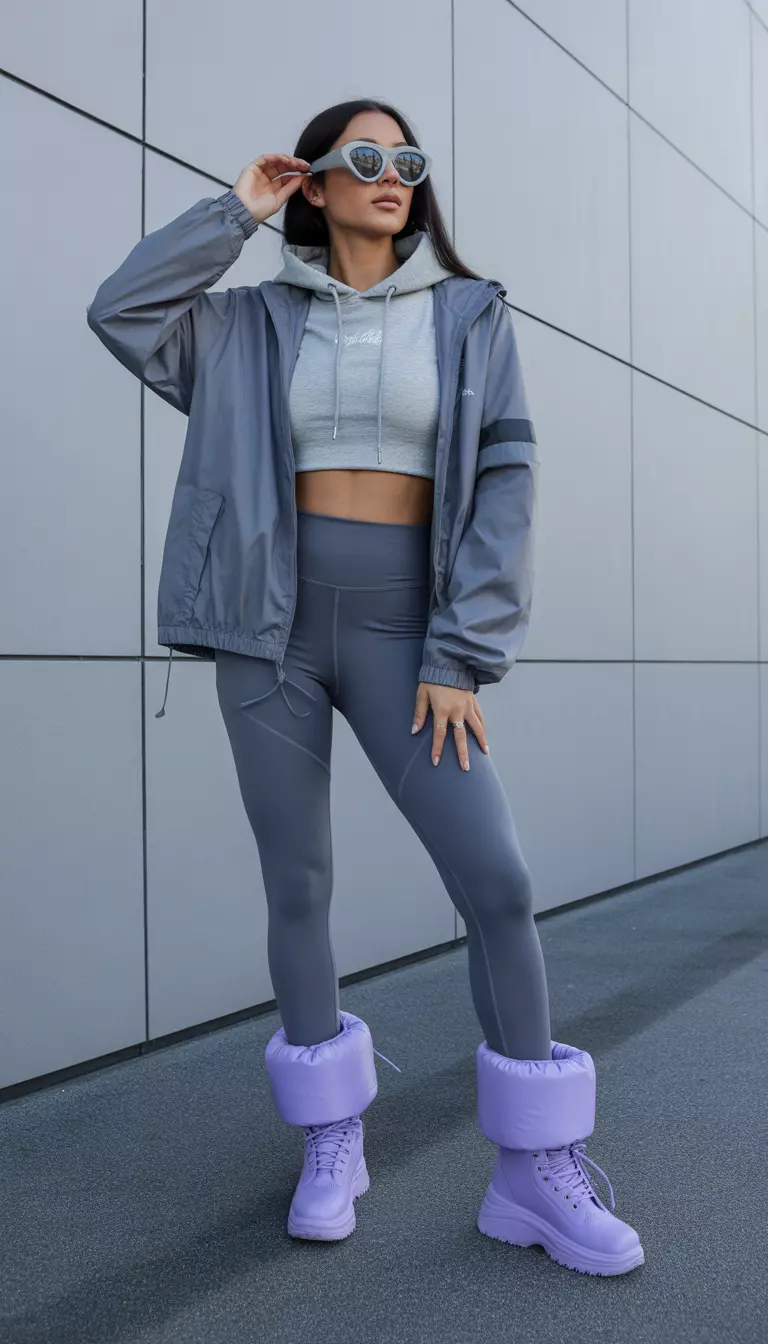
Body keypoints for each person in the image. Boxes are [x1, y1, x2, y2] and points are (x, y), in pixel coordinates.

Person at [86, 97, 643, 1275]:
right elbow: (122, 311)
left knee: (496, 880)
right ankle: (330, 1138)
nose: (393, 176)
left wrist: (461, 651)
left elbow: (505, 482)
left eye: (410, 162)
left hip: (407, 627)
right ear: (319, 183)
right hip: (266, 624)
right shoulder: (241, 326)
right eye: (366, 158)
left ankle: (535, 1174)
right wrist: (232, 213)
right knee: (299, 882)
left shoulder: (467, 316)